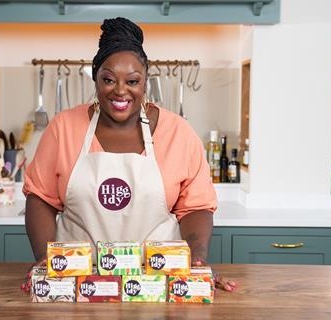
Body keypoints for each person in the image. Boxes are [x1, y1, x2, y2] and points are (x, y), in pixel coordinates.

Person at [23, 17, 236, 292]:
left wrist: (196, 259)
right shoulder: (63, 128)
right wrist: (45, 260)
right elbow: (40, 198)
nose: (120, 90)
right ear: (95, 78)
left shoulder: (178, 133)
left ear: (145, 81)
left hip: (157, 284)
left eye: (132, 80)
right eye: (109, 79)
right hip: (78, 284)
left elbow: (195, 208)